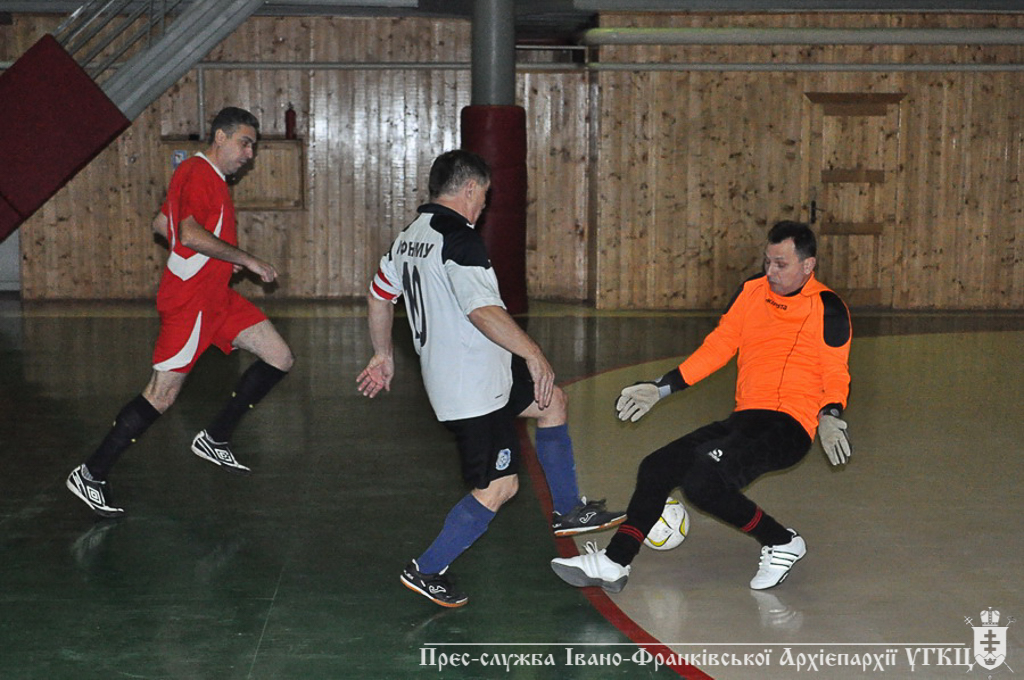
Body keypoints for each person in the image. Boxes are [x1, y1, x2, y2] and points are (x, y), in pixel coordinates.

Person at [357, 149, 625, 608]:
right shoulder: (459, 239)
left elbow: (379, 295)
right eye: (484, 194)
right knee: (500, 487)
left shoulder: (409, 237)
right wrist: (534, 353)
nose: (484, 205)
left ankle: (568, 510)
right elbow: (481, 310)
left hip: (482, 373)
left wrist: (383, 353)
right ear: (469, 189)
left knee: (552, 402)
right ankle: (427, 569)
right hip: (472, 390)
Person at [551, 221, 852, 593]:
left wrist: (830, 414)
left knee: (701, 482)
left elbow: (836, 370)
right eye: (767, 261)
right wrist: (662, 388)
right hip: (746, 419)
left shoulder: (828, 307)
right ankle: (614, 563)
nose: (770, 271)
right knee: (657, 466)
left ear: (808, 265)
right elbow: (719, 346)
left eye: (781, 264)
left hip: (789, 427)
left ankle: (782, 541)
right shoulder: (752, 291)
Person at [66, 106, 294, 517]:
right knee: (162, 394)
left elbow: (162, 223)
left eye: (253, 147)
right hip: (191, 302)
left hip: (217, 297)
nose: (250, 154)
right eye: (245, 144)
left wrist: (218, 259)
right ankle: (91, 473)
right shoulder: (198, 173)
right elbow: (187, 234)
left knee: (279, 356)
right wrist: (245, 258)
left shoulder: (204, 177)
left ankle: (215, 437)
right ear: (220, 138)